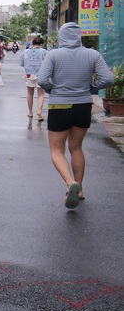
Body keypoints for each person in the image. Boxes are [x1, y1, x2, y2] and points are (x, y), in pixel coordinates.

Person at [37, 23, 113, 209]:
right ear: (79, 36)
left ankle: (71, 182)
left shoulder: (53, 55)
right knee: (76, 147)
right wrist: (90, 88)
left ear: (61, 36)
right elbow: (108, 79)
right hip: (83, 106)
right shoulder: (92, 54)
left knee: (56, 150)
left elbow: (41, 80)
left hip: (59, 105)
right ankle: (79, 191)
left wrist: (53, 90)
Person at [20, 35, 48, 121]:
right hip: (41, 75)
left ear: (33, 43)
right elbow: (48, 63)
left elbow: (21, 63)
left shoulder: (25, 52)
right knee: (40, 94)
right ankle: (39, 111)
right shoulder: (44, 51)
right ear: (41, 44)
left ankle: (30, 112)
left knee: (30, 94)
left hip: (29, 75)